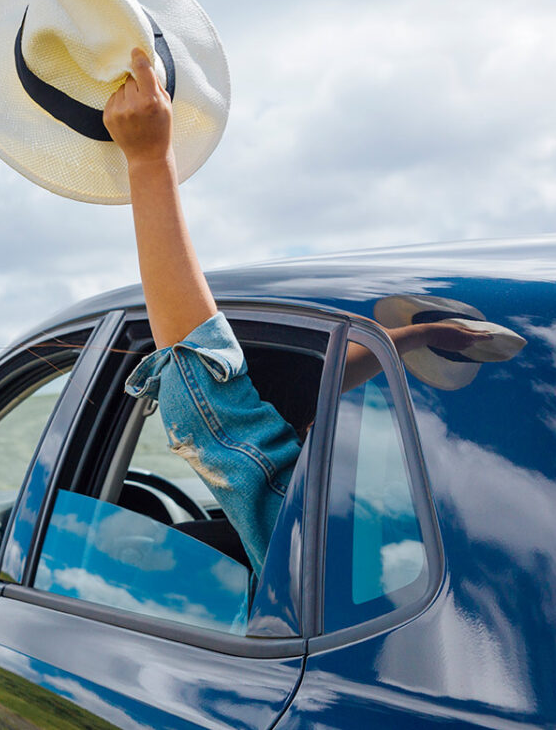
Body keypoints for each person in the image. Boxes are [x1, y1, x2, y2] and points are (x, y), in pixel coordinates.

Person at [102, 48, 488, 574]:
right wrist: (411, 338)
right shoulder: (460, 531)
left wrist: (148, 164)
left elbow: (206, 401)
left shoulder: (313, 540)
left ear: (301, 428)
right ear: (309, 420)